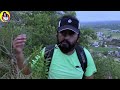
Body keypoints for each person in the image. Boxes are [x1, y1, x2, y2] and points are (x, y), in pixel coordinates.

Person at [13, 15, 97, 79]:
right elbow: (26, 71)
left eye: (71, 34)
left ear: (78, 38)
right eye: (63, 33)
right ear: (57, 34)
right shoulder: (48, 52)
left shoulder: (84, 55)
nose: (66, 37)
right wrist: (19, 52)